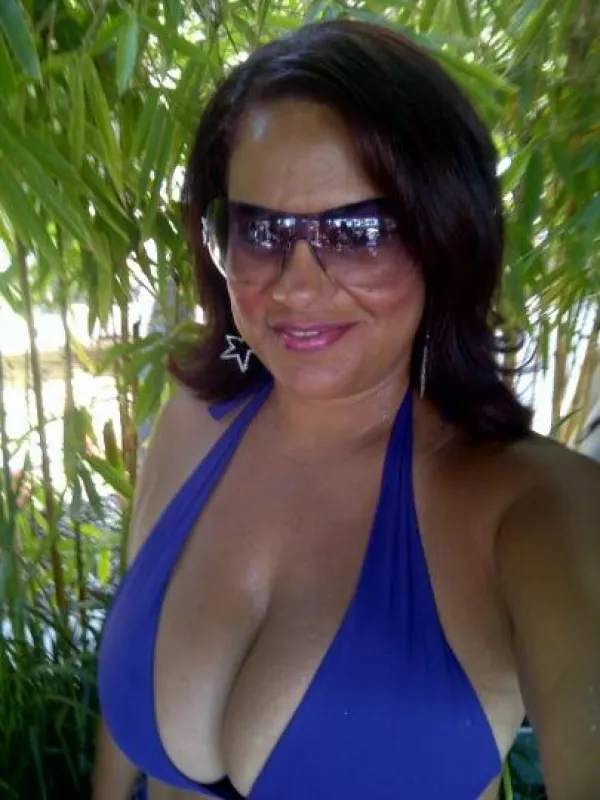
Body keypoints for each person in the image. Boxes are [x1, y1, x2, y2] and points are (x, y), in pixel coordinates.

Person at [93, 18, 600, 800]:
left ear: (443, 238)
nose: (298, 285)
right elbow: (123, 708)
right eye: (261, 230)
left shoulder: (529, 508)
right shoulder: (188, 425)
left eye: (359, 233)